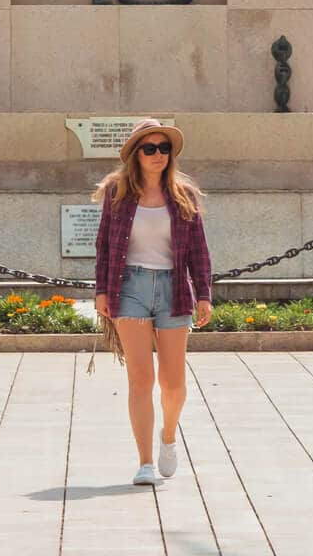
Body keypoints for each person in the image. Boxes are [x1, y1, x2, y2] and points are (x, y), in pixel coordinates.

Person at [94, 117, 213, 487]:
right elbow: (103, 247)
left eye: (165, 148)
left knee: (173, 384)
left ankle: (168, 436)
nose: (158, 154)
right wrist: (100, 290)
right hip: (129, 287)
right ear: (136, 154)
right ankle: (145, 462)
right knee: (140, 379)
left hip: (174, 289)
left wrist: (205, 294)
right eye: (150, 148)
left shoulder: (184, 196)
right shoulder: (117, 193)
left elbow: (199, 250)